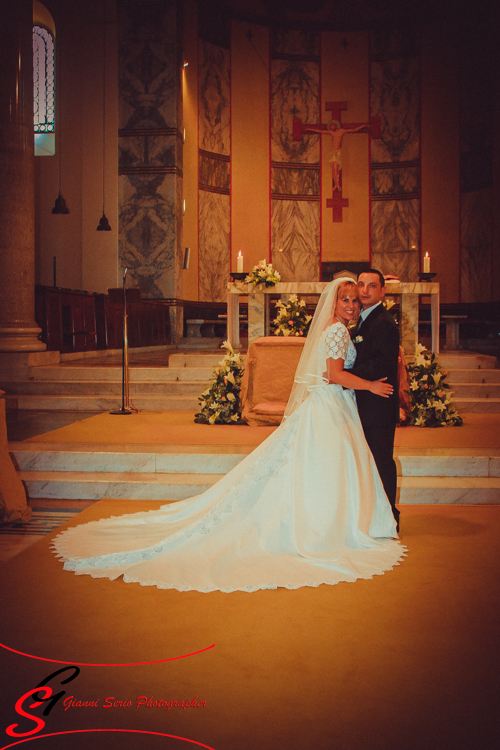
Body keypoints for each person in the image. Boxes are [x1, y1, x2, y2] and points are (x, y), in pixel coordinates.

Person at [52, 278, 405, 593]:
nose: (351, 305)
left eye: (354, 301)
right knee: (321, 467)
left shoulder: (340, 329)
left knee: (323, 469)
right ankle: (325, 527)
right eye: (345, 300)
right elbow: (333, 376)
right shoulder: (337, 331)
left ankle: (333, 521)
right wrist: (371, 385)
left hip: (334, 408)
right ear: (334, 302)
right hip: (331, 405)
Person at [350, 270, 400, 531]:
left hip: (378, 405)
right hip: (365, 403)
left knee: (381, 461)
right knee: (370, 461)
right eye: (361, 284)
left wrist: (344, 374)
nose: (365, 290)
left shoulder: (384, 323)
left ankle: (390, 518)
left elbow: (379, 364)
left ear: (382, 291)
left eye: (372, 286)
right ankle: (376, 515)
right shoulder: (362, 320)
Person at [305, 120, 367, 191]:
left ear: (335, 125)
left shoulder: (341, 131)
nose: (331, 127)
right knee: (334, 169)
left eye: (332, 125)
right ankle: (336, 184)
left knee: (336, 168)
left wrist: (363, 126)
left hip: (338, 152)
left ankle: (337, 184)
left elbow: (353, 130)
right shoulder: (331, 132)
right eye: (330, 126)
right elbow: (320, 131)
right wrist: (310, 129)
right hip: (333, 152)